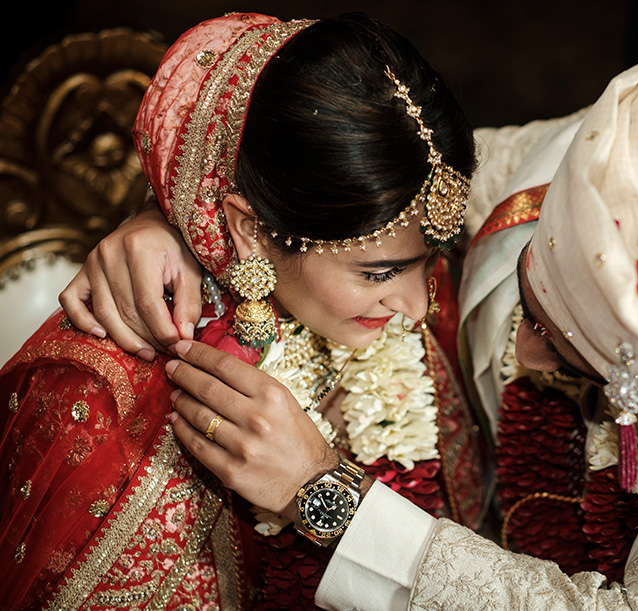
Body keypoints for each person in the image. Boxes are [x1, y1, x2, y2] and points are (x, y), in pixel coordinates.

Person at [59, 47, 638, 608]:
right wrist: (181, 219)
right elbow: (361, 186)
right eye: (534, 307)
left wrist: (329, 494)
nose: (522, 351)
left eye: (565, 351)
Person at [0, 12, 489, 610]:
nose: (417, 308)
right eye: (379, 273)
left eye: (431, 258)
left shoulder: (397, 314)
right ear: (251, 232)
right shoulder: (106, 400)